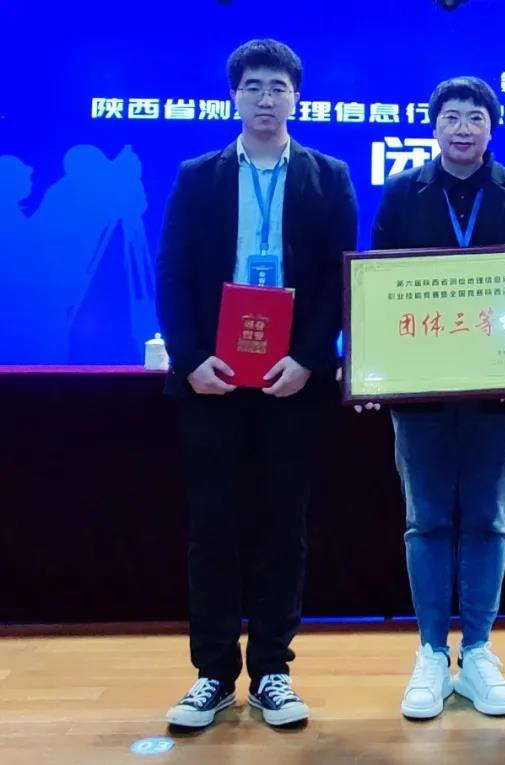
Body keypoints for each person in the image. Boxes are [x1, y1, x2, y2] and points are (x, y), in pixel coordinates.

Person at [156, 38, 357, 728]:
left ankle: (272, 669)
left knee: (281, 527)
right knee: (212, 528)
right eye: (253, 87)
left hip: (290, 382)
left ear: (295, 98)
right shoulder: (198, 176)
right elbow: (171, 272)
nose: (266, 99)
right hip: (212, 378)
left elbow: (337, 277)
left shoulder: (328, 176)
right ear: (233, 97)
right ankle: (212, 674)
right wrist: (190, 360)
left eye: (277, 87)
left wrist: (309, 357)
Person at [368, 75, 505, 720]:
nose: (463, 127)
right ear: (434, 126)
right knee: (427, 519)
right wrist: (375, 370)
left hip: (497, 388)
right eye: (451, 116)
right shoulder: (402, 192)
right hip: (421, 389)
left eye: (475, 116)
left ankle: (476, 651)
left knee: (488, 519)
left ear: (492, 128)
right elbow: (378, 287)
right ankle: (428, 651)